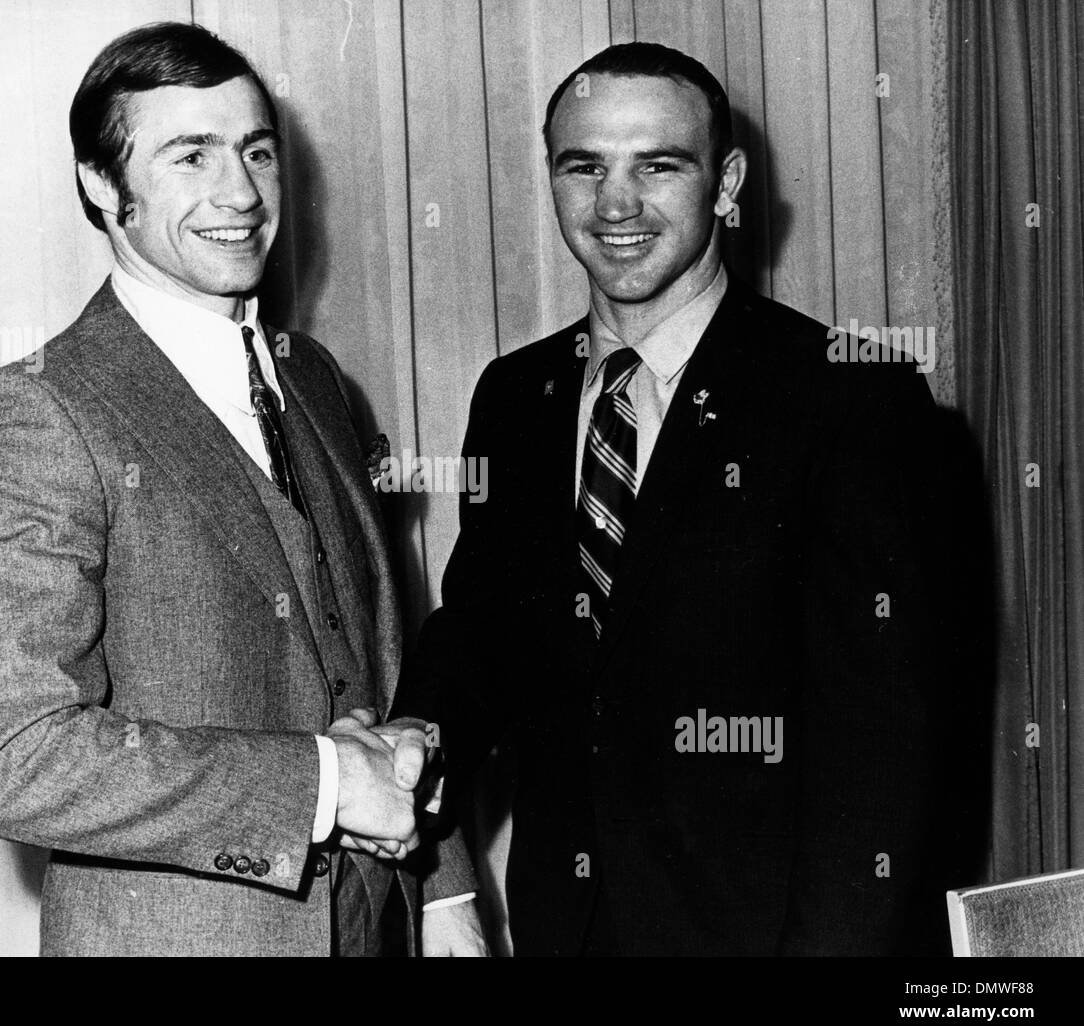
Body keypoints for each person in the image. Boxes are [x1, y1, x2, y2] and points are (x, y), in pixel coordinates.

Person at [393, 42, 952, 956]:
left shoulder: (851, 397)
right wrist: (411, 738)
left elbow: (881, 749)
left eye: (659, 165)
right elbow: (486, 629)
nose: (617, 204)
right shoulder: (514, 395)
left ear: (727, 183)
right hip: (564, 928)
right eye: (585, 167)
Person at [0, 21, 478, 956]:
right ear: (103, 188)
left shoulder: (312, 378)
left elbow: (379, 667)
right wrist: (321, 786)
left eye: (257, 152)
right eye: (191, 155)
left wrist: (444, 890)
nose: (241, 193)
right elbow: (11, 757)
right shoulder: (34, 411)